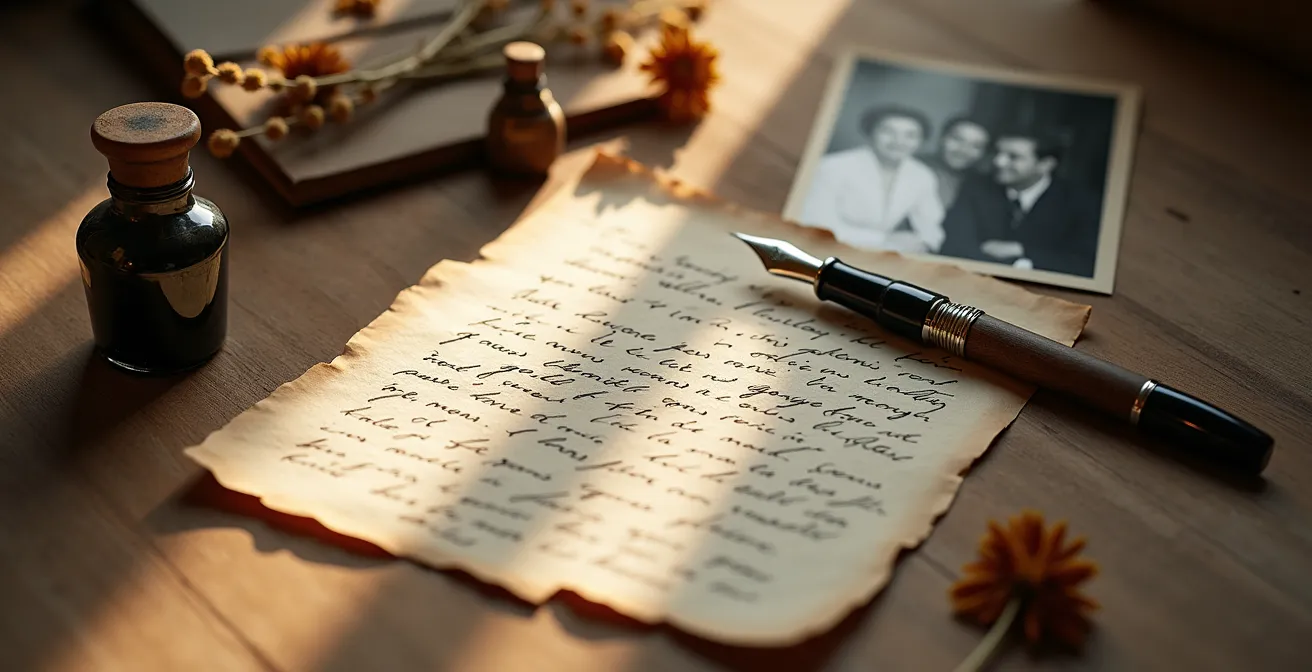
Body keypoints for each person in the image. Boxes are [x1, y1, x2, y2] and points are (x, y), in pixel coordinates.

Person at [940, 129, 1101, 277]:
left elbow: (1085, 264)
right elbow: (955, 245)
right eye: (998, 153)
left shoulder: (1081, 202)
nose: (999, 161)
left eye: (1013, 157)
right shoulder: (977, 187)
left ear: (1045, 165)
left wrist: (1022, 251)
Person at [799, 105, 945, 254]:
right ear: (870, 132)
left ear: (920, 141)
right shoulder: (832, 166)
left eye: (910, 135)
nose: (898, 141)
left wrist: (923, 242)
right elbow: (816, 223)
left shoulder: (922, 175)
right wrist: (884, 239)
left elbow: (931, 225)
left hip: (883, 254)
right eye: (888, 131)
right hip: (829, 249)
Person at [922, 116, 991, 210]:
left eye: (976, 146)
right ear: (942, 138)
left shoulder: (981, 186)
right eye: (958, 139)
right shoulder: (912, 168)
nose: (964, 150)